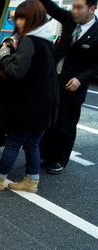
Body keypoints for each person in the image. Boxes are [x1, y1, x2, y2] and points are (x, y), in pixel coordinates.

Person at [0, 0, 58, 193]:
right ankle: (31, 181)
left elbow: (16, 72)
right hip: (44, 104)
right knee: (32, 143)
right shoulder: (46, 40)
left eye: (20, 18)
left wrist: (5, 54)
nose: (17, 22)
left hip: (28, 105)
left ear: (30, 19)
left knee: (13, 142)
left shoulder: (29, 40)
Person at [38, 0, 98, 175]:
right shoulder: (70, 19)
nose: (74, 10)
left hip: (74, 85)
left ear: (92, 9)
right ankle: (46, 154)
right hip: (54, 79)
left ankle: (60, 160)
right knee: (50, 119)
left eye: (79, 7)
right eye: (74, 6)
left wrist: (80, 79)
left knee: (66, 124)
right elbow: (52, 8)